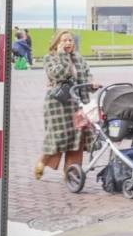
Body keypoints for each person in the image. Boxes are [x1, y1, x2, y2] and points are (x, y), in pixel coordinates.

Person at [35, 30, 93, 180]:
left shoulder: (79, 58)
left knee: (77, 139)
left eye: (71, 40)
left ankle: (71, 173)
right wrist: (63, 57)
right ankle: (42, 163)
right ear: (57, 43)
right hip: (58, 105)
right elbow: (58, 75)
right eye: (65, 40)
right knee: (58, 137)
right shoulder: (50, 58)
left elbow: (86, 75)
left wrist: (92, 84)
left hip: (78, 104)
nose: (68, 43)